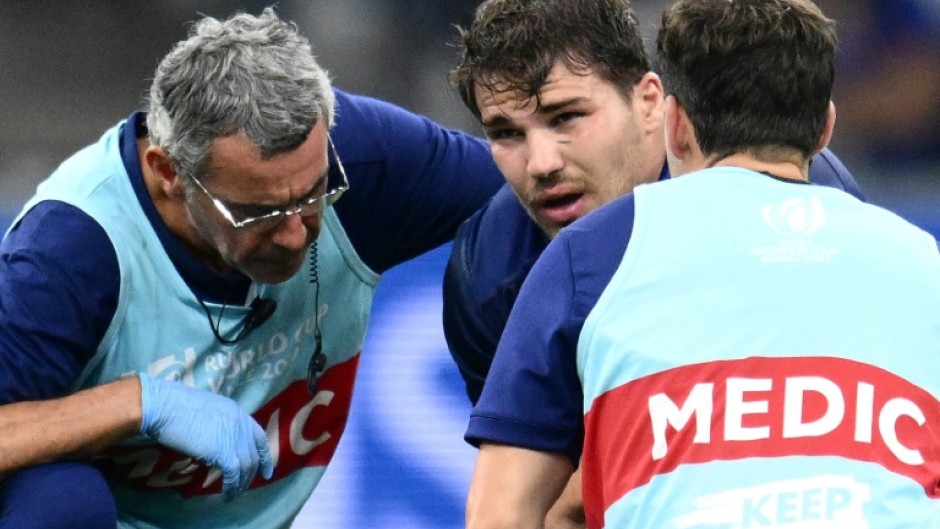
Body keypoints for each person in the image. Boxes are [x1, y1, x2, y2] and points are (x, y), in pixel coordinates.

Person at [0, 8, 502, 529]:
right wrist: (134, 402)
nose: (294, 234)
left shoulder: (358, 158)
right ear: (168, 171)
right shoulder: (72, 250)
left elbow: (538, 194)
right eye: (254, 212)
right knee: (59, 501)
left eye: (312, 197)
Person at [463, 0, 940, 527]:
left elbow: (501, 513)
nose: (543, 162)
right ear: (824, 127)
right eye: (506, 133)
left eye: (567, 117)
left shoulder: (578, 258)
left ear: (667, 116)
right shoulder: (916, 255)